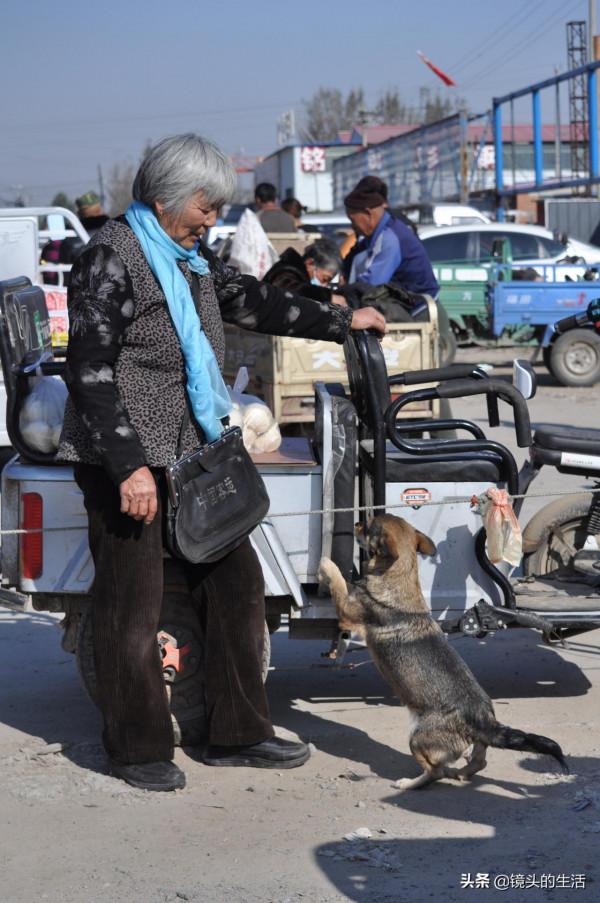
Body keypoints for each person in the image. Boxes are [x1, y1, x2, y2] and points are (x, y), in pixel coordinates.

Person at [57, 133, 385, 793]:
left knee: (236, 585)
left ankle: (238, 733)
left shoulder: (188, 258)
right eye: (207, 206)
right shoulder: (111, 259)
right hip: (128, 463)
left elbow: (256, 303)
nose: (213, 219)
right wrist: (127, 466)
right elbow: (89, 371)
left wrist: (343, 319)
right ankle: (136, 746)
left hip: (190, 457)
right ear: (166, 197)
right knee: (132, 605)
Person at [343, 177, 439, 297]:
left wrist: (342, 295)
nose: (353, 226)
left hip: (417, 310)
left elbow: (371, 286)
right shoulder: (379, 232)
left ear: (368, 213)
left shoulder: (389, 238)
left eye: (353, 220)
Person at [263, 238, 342, 303]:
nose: (324, 285)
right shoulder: (285, 271)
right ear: (310, 263)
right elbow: (290, 290)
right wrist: (326, 296)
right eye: (324, 279)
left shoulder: (297, 273)